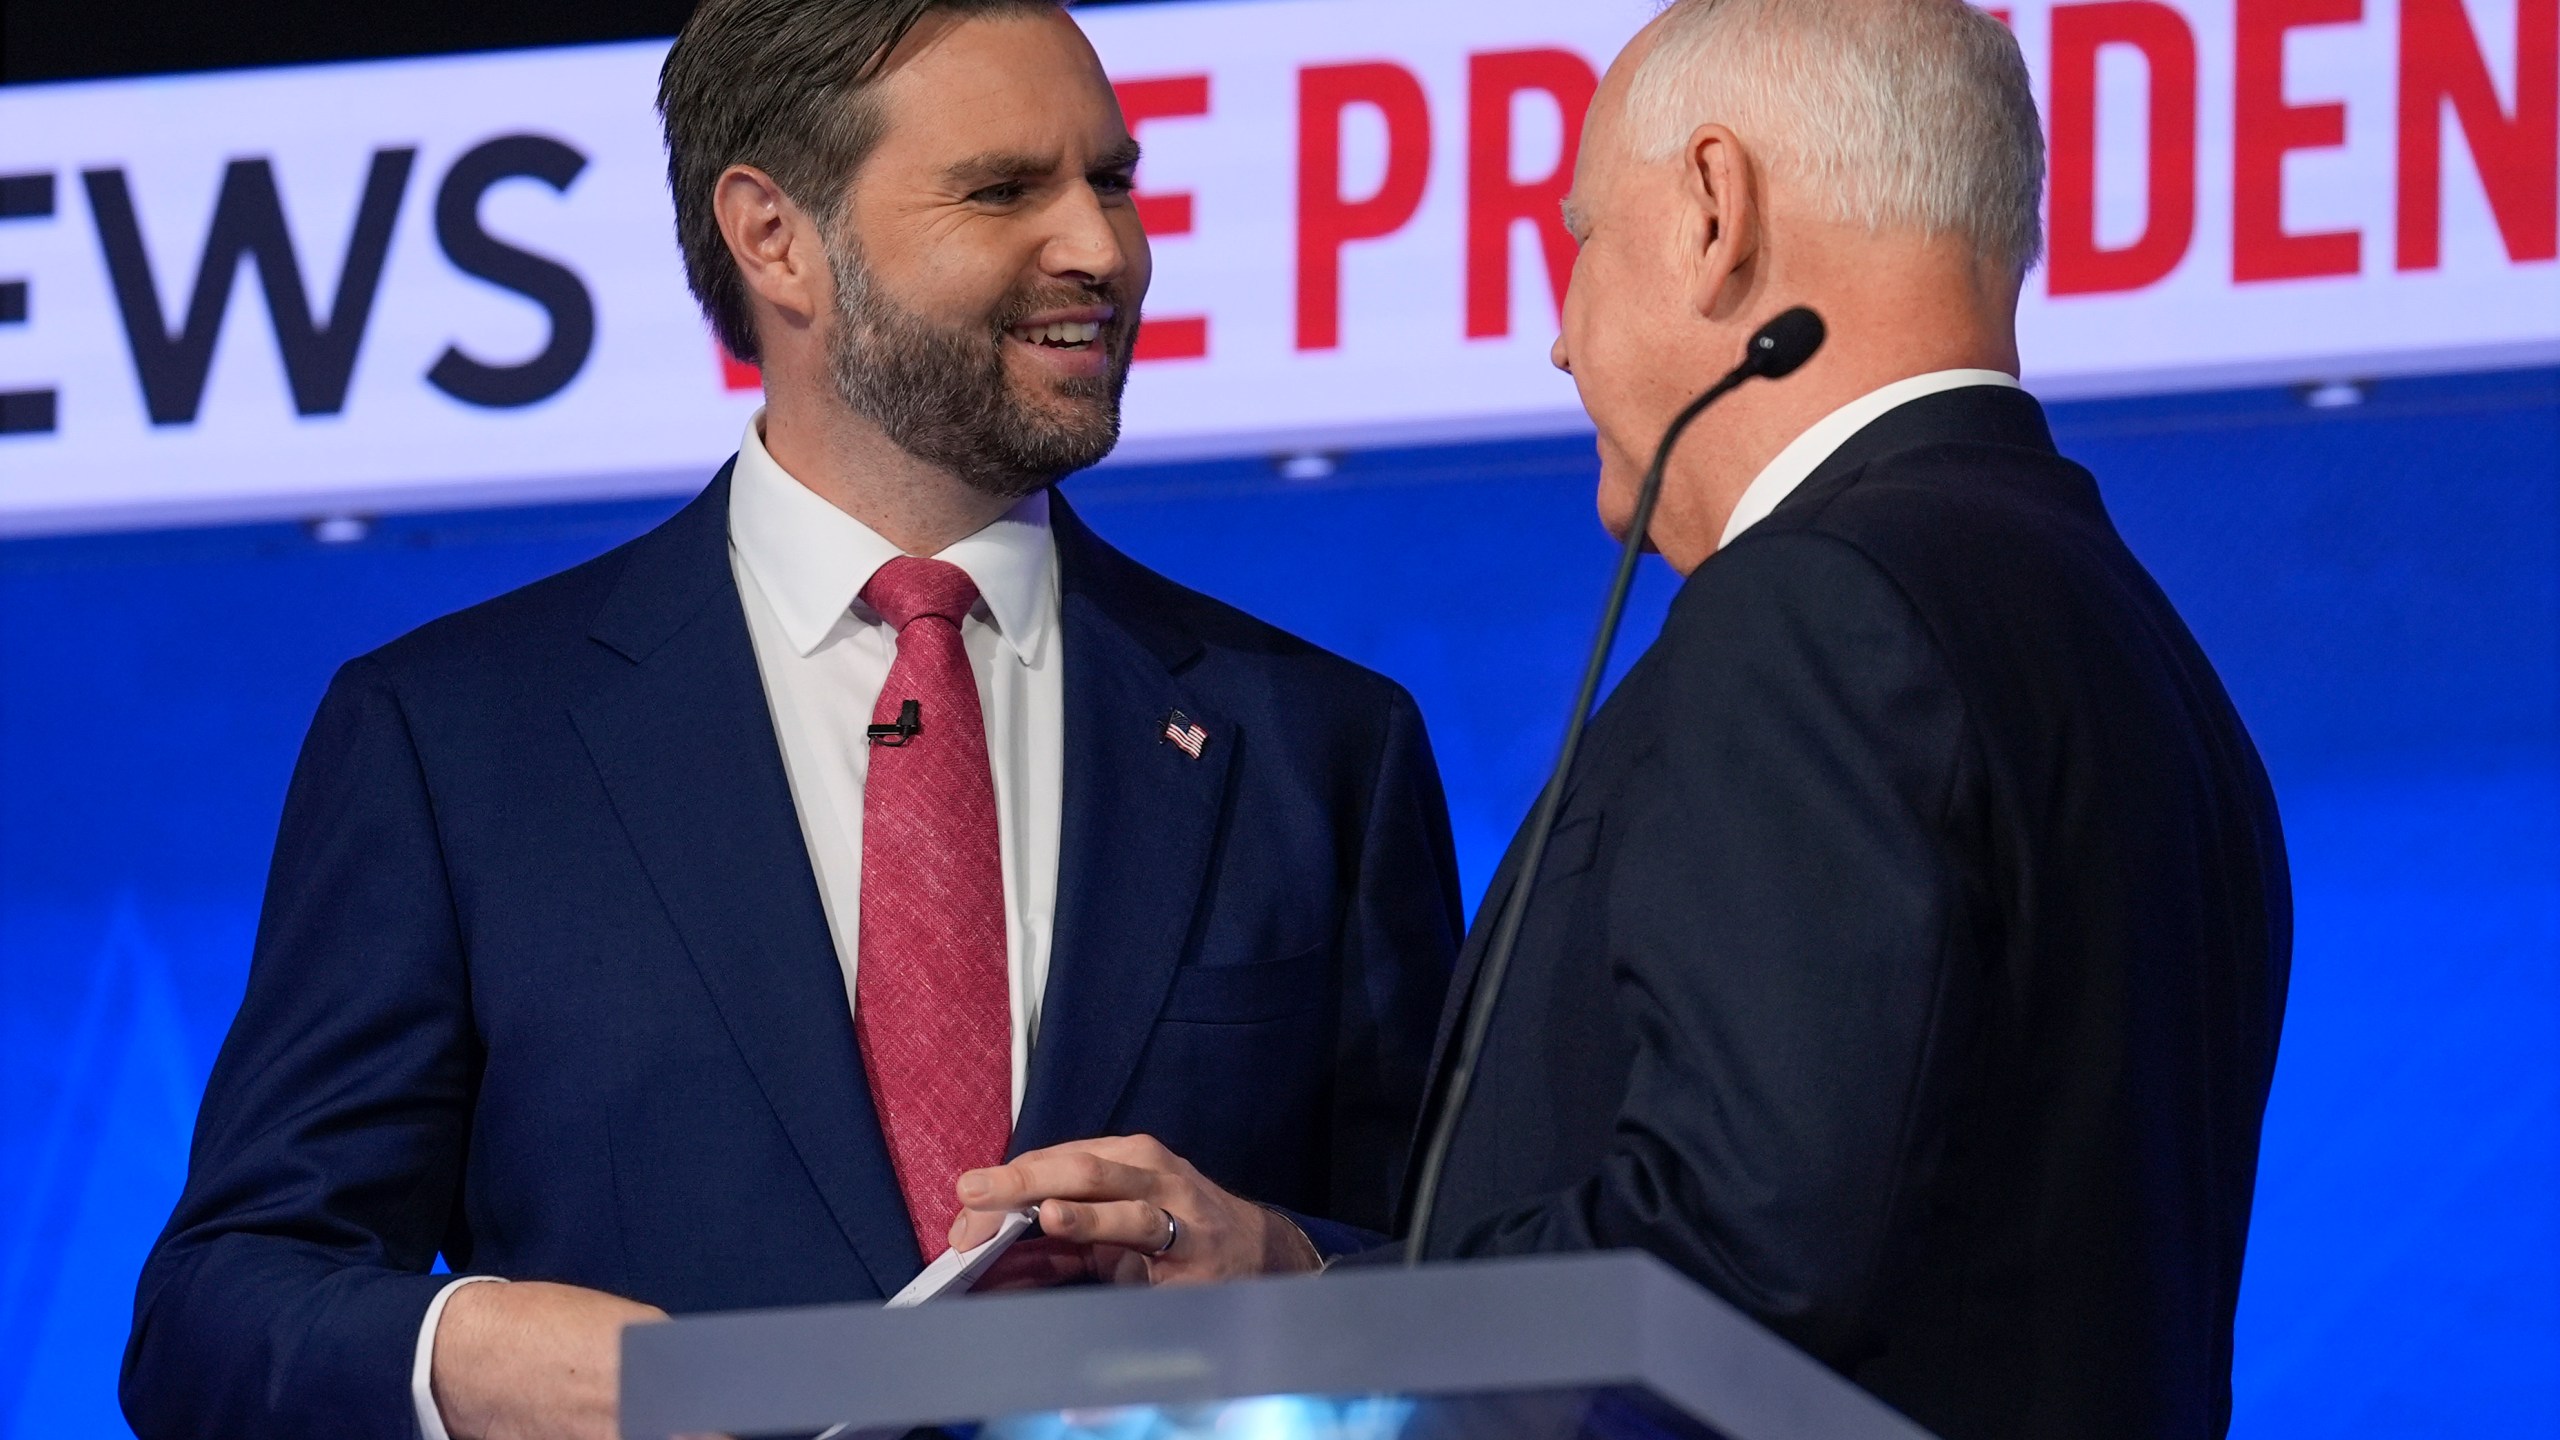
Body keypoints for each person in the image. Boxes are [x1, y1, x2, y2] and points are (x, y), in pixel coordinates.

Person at [119, 3, 1462, 1438]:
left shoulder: (1321, 743)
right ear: (774, 239)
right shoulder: (453, 742)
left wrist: (1286, 1265)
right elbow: (221, 1309)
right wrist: (471, 1355)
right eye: (1007, 190)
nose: (1102, 250)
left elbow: (1475, 1280)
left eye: (1114, 182)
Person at [955, 1, 2291, 1435]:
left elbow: (1729, 1268)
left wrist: (1318, 1349)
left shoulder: (1814, 611)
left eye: (1583, 238)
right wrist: (1290, 1269)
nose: (1557, 340)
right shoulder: (2135, 644)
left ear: (1717, 213)